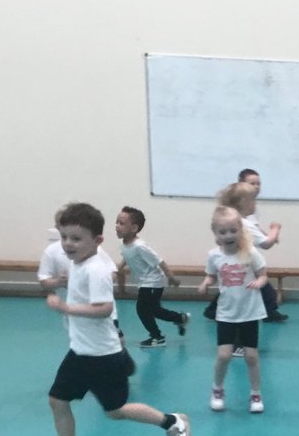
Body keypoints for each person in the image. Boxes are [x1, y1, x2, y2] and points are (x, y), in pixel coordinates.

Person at [35, 203, 190, 436]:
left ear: (97, 241)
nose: (68, 244)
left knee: (116, 410)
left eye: (76, 238)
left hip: (102, 356)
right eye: (65, 238)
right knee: (57, 400)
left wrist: (66, 308)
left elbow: (104, 308)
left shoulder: (95, 269)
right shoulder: (77, 264)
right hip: (80, 352)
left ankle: (172, 422)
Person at [38, 204, 135, 376]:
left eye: (75, 237)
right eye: (63, 235)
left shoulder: (94, 256)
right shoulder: (54, 253)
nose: (68, 242)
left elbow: (111, 273)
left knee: (112, 341)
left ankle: (120, 361)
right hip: (73, 312)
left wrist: (95, 285)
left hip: (92, 312)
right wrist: (59, 283)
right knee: (82, 343)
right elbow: (45, 281)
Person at [198, 205, 269, 414]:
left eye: (233, 230)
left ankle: (256, 393)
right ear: (215, 233)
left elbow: (263, 274)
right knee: (223, 355)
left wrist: (259, 282)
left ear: (240, 229)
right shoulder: (214, 256)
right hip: (226, 313)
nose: (228, 235)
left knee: (251, 356)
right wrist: (205, 283)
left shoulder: (250, 253)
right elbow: (211, 275)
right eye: (223, 232)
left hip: (250, 311)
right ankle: (217, 389)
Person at [114, 206, 189, 347]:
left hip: (153, 283)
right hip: (145, 283)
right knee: (155, 310)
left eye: (122, 223)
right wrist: (118, 269)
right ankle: (180, 318)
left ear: (134, 228)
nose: (117, 226)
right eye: (117, 222)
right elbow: (126, 257)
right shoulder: (124, 244)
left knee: (142, 310)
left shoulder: (140, 246)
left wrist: (171, 277)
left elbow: (159, 261)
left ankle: (158, 337)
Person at [235, 169, 289, 323]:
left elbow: (255, 230)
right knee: (259, 287)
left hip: (246, 257)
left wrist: (267, 234)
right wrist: (275, 230)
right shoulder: (242, 215)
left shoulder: (246, 211)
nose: (256, 187)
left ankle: (269, 312)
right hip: (243, 258)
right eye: (252, 184)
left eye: (258, 183)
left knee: (245, 284)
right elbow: (265, 244)